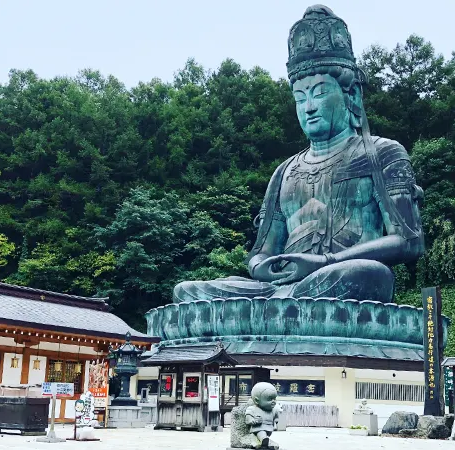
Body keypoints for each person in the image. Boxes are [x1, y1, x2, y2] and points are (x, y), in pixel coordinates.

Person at [173, 5, 425, 304]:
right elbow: (262, 251)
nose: (309, 107)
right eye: (300, 97)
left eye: (320, 93)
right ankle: (280, 303)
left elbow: (409, 240)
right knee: (187, 291)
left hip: (340, 276)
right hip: (283, 285)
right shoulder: (285, 171)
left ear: (352, 95)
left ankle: (283, 305)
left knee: (367, 273)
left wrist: (327, 261)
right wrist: (261, 266)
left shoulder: (382, 152)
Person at [245, 383, 280, 448]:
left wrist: (275, 424)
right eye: (269, 399)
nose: (273, 401)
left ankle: (265, 439)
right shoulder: (253, 409)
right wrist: (253, 421)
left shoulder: (274, 410)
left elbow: (275, 419)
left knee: (265, 434)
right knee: (261, 433)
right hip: (259, 428)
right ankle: (263, 439)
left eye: (274, 399)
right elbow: (248, 419)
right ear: (257, 400)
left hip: (269, 428)